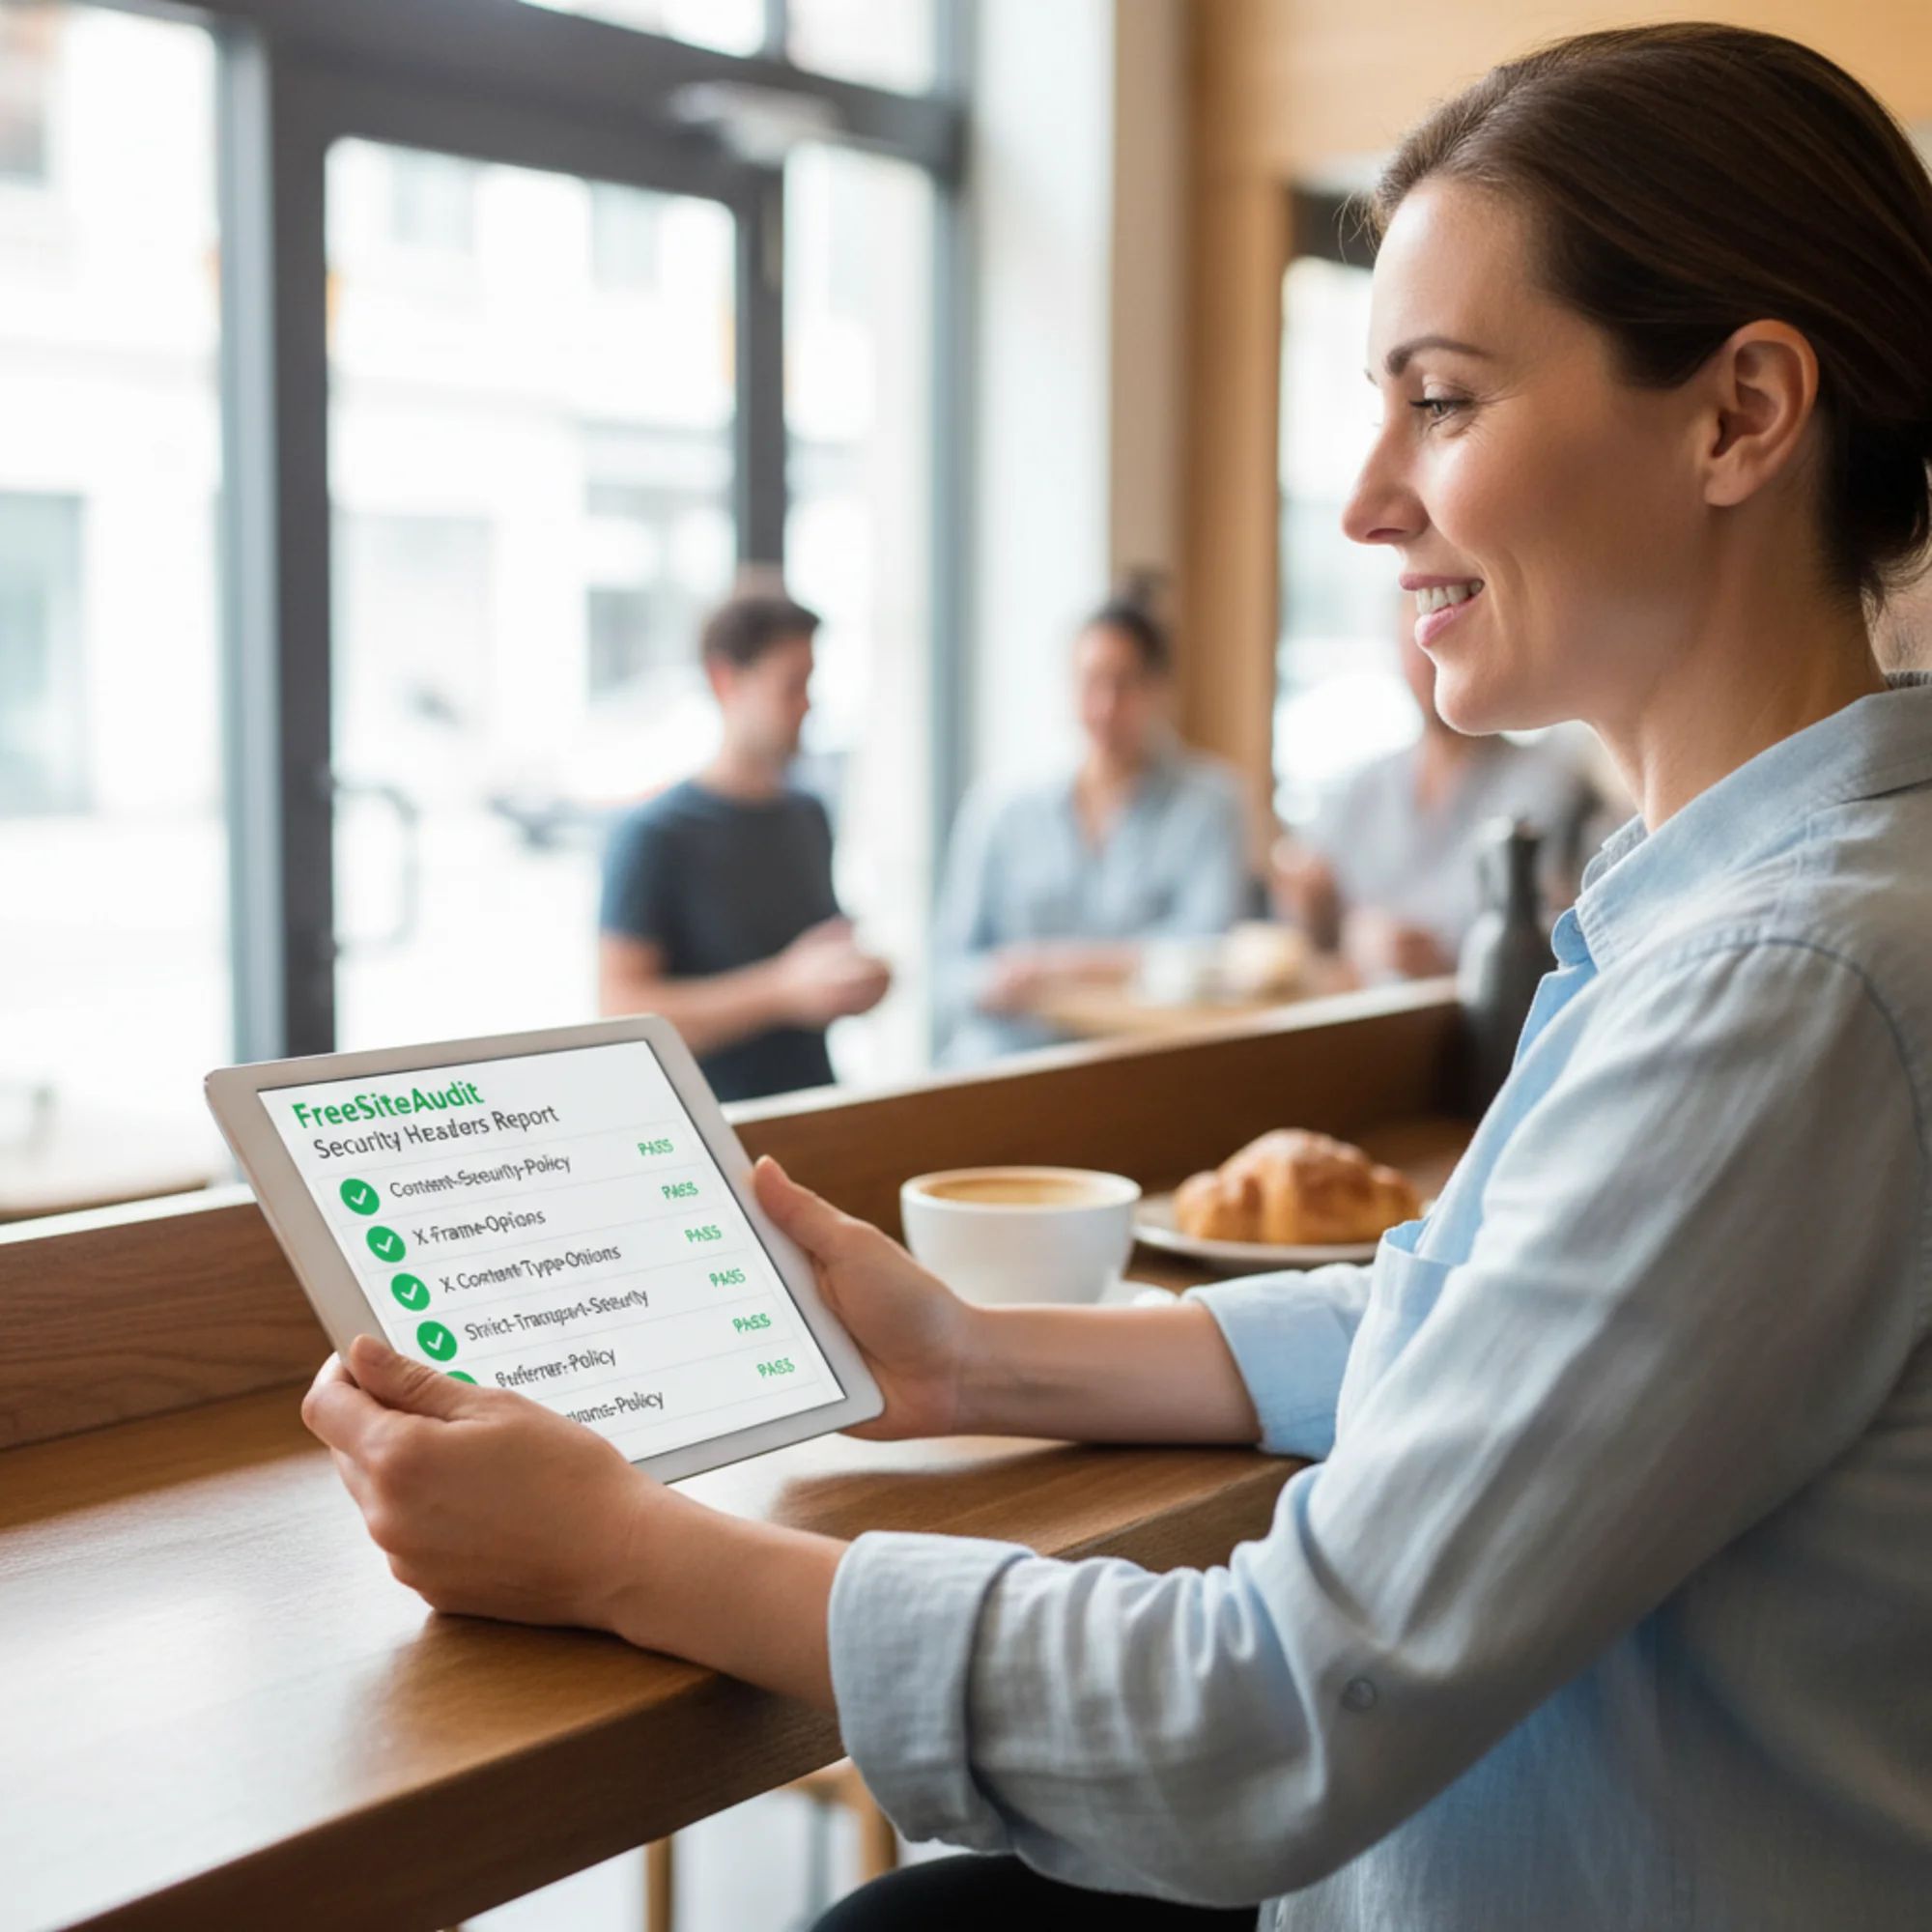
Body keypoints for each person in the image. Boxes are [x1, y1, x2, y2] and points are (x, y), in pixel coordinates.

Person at [307, 26, 1932, 1930]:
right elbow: (1481, 1326)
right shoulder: (1761, 903)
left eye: (1441, 399)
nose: (1363, 500)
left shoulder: (1781, 984)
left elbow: (1263, 1718)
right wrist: (972, 1354)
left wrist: (620, 1553)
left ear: (1738, 413)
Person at [598, 587, 890, 1102]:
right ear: (725, 680)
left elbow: (815, 953)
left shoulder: (808, 814)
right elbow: (621, 1009)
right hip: (712, 1122)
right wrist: (781, 991)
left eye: (811, 685)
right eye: (792, 686)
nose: (807, 705)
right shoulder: (654, 834)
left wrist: (852, 978)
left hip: (814, 1104)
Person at [933, 589, 1251, 1062]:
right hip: (1009, 1060)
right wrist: (996, 982)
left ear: (1158, 688)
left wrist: (1051, 967)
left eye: (1123, 684)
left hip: (1143, 1060)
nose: (1104, 707)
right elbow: (947, 972)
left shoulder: (1210, 803)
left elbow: (1206, 952)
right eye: (1089, 682)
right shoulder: (1002, 809)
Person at [1275, 617, 1604, 980]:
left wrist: (1443, 961)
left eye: (1446, 637)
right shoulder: (1365, 785)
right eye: (1415, 645)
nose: (1430, 661)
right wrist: (1315, 912)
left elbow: (1558, 939)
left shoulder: (1548, 788)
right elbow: (1317, 919)